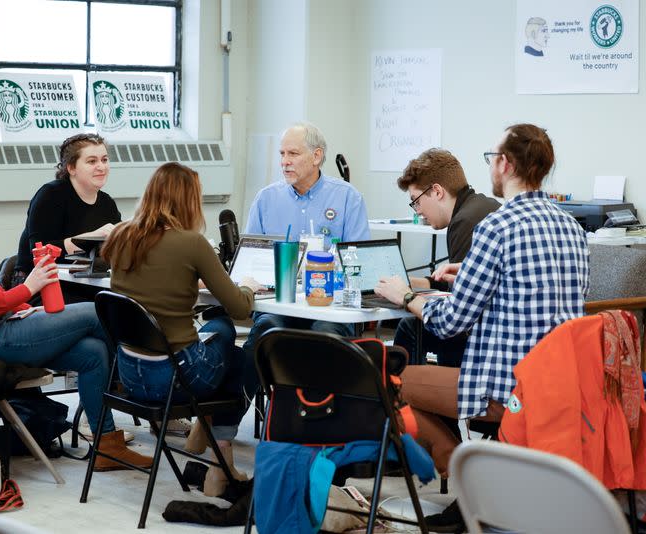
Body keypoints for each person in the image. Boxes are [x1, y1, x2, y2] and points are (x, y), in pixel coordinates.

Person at [375, 124, 588, 531]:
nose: (490, 165)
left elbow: (451, 321)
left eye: (492, 157)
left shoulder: (497, 227)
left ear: (505, 164)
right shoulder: (573, 229)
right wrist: (469, 277)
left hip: (506, 388)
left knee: (391, 379)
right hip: (561, 385)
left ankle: (473, 490)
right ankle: (490, 486)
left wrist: (405, 296)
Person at [0, 157, 152, 472]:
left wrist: (24, 306)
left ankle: (107, 445)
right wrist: (28, 287)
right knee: (99, 313)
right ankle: (150, 388)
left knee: (93, 353)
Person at [103, 162, 262, 497]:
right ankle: (220, 462)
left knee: (227, 349)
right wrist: (247, 286)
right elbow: (239, 308)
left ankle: (204, 441)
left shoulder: (120, 235)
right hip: (176, 378)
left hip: (130, 375)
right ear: (188, 200)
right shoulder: (192, 243)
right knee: (235, 346)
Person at [242, 122, 371, 356]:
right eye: (282, 154)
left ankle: (316, 394)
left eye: (293, 153)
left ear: (316, 156)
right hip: (278, 305)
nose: (284, 161)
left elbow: (358, 261)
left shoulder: (347, 198)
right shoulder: (266, 200)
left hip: (330, 306)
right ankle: (252, 393)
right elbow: (250, 261)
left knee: (325, 333)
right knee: (266, 329)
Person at [391, 148, 500, 367]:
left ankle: (403, 395)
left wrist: (407, 297)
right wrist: (416, 284)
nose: (418, 211)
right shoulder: (485, 206)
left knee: (410, 326)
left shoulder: (464, 222)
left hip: (479, 344)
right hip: (496, 331)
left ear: (437, 191)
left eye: (416, 201)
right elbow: (462, 280)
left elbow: (457, 309)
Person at [12, 133, 121, 291]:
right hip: (40, 287)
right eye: (92, 161)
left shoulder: (107, 203)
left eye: (104, 160)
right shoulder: (50, 195)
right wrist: (91, 238)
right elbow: (40, 250)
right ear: (71, 168)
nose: (101, 166)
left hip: (85, 284)